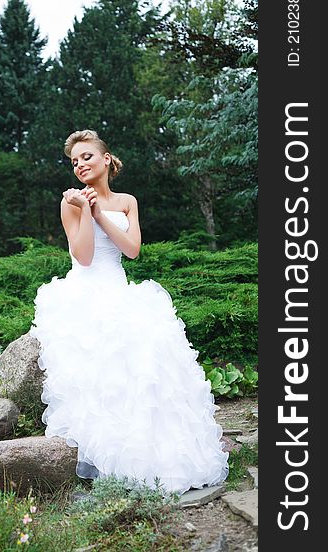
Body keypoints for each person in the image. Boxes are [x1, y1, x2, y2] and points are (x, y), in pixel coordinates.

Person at [29, 129, 229, 495]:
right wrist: (84, 211)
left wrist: (99, 213)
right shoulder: (69, 203)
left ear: (106, 159)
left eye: (87, 157)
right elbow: (84, 257)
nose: (80, 165)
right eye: (74, 161)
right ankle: (113, 460)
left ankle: (160, 457)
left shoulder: (127, 201)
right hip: (84, 292)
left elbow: (133, 249)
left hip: (120, 288)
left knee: (150, 362)